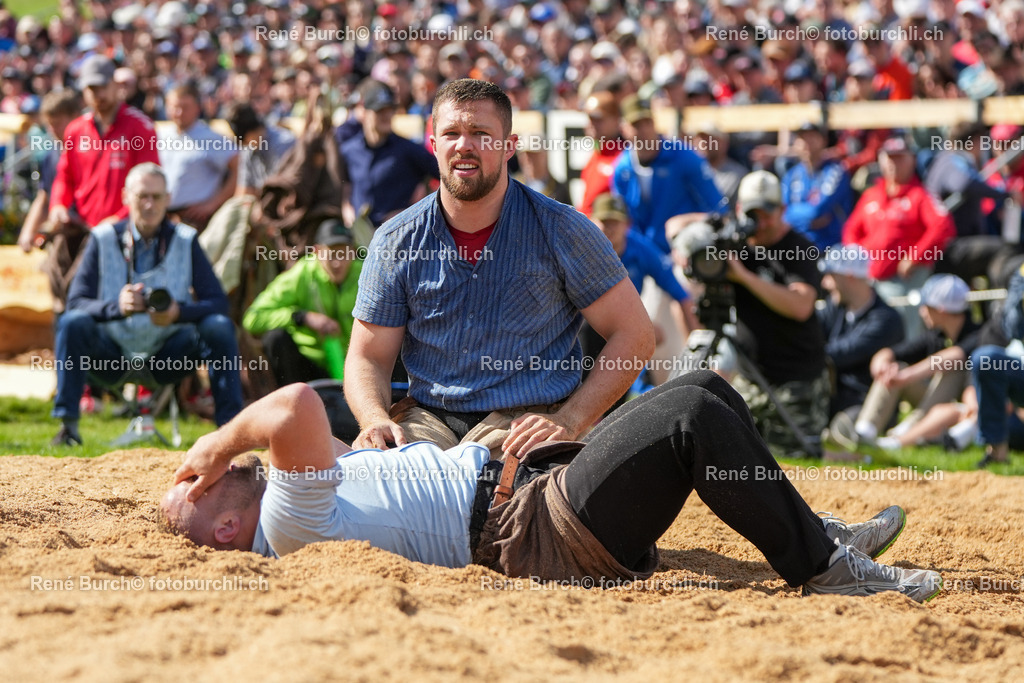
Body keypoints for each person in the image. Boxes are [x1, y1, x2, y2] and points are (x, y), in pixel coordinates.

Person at [162, 370, 942, 604]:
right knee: (692, 413)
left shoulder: (303, 498)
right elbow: (291, 406)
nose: (209, 470)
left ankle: (815, 531)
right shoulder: (290, 526)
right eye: (198, 485)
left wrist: (375, 439)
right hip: (541, 528)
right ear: (229, 530)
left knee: (702, 383)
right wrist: (217, 435)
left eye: (201, 468)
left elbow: (321, 438)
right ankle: (826, 571)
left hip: (530, 490)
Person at [345, 78, 655, 460]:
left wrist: (572, 419)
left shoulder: (565, 229)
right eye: (452, 133)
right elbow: (368, 357)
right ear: (434, 145)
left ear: (509, 147)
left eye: (480, 133)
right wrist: (374, 418)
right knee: (385, 482)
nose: (464, 145)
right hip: (427, 420)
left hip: (526, 422)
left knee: (487, 492)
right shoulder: (395, 240)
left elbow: (635, 334)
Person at [51, 163, 243, 446]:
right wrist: (117, 307)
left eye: (156, 196)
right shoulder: (102, 238)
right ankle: (68, 428)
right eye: (142, 196)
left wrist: (179, 313)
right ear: (125, 197)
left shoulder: (186, 239)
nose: (149, 204)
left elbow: (218, 304)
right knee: (71, 322)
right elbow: (75, 302)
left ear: (168, 199)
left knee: (219, 327)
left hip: (168, 356)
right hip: (110, 356)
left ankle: (229, 432)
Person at [725, 170, 831, 459]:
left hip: (795, 378)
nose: (760, 222)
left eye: (768, 213)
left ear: (783, 210)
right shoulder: (732, 245)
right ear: (738, 211)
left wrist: (743, 277)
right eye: (752, 213)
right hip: (750, 377)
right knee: (731, 451)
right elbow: (676, 226)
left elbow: (800, 306)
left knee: (793, 456)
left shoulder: (800, 249)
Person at [842, 274, 1008, 449]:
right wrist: (882, 360)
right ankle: (864, 431)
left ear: (941, 309)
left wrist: (908, 375)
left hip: (963, 409)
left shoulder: (979, 334)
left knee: (953, 368)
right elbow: (896, 351)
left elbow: (954, 356)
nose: (922, 311)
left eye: (926, 306)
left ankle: (903, 433)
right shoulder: (936, 334)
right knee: (894, 368)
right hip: (938, 405)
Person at [842, 136, 956, 339]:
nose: (894, 163)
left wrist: (915, 257)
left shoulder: (920, 195)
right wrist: (856, 260)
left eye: (900, 158)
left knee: (906, 333)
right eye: (890, 158)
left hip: (904, 281)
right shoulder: (872, 195)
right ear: (881, 160)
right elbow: (851, 230)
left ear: (912, 160)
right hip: (869, 281)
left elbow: (943, 228)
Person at [49, 54, 160, 232]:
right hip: (83, 228)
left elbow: (151, 185)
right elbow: (65, 176)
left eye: (103, 86)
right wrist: (58, 206)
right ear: (84, 91)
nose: (99, 94)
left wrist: (120, 218)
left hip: (128, 229)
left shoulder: (140, 127)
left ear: (116, 85)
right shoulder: (75, 130)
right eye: (93, 88)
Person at [243, 219, 362, 387]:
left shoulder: (366, 274)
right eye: (332, 254)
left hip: (359, 364)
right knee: (276, 338)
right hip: (310, 365)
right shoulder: (301, 274)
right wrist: (302, 317)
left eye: (344, 254)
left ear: (354, 251)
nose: (338, 263)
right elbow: (253, 318)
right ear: (317, 251)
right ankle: (294, 403)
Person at [611, 95, 724, 254]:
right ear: (623, 128)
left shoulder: (685, 157)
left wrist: (689, 230)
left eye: (647, 122)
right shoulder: (621, 169)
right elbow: (622, 222)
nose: (643, 130)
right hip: (644, 258)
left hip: (686, 252)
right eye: (636, 124)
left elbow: (719, 209)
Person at [817, 245, 906, 422]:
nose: (824, 283)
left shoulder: (886, 319)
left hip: (865, 404)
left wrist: (803, 352)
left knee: (842, 428)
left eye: (831, 276)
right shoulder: (834, 308)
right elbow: (811, 333)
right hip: (832, 400)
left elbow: (842, 353)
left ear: (849, 277)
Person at [339, 79, 440, 229]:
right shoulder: (349, 150)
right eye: (379, 110)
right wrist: (346, 208)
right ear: (364, 112)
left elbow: (446, 177)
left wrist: (413, 211)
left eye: (390, 110)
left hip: (400, 237)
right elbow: (345, 186)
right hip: (359, 238)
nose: (386, 115)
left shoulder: (408, 150)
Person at [158, 81, 239, 232]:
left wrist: (213, 203)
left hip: (194, 219)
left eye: (185, 107)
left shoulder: (212, 138)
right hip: (162, 215)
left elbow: (239, 168)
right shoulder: (160, 135)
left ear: (197, 108)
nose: (179, 113)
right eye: (175, 107)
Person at [781, 122, 853, 250]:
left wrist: (795, 217)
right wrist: (808, 220)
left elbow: (818, 210)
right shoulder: (791, 175)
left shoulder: (835, 171)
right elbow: (783, 214)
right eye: (803, 138)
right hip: (796, 247)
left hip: (829, 247)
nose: (807, 143)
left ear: (824, 141)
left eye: (812, 137)